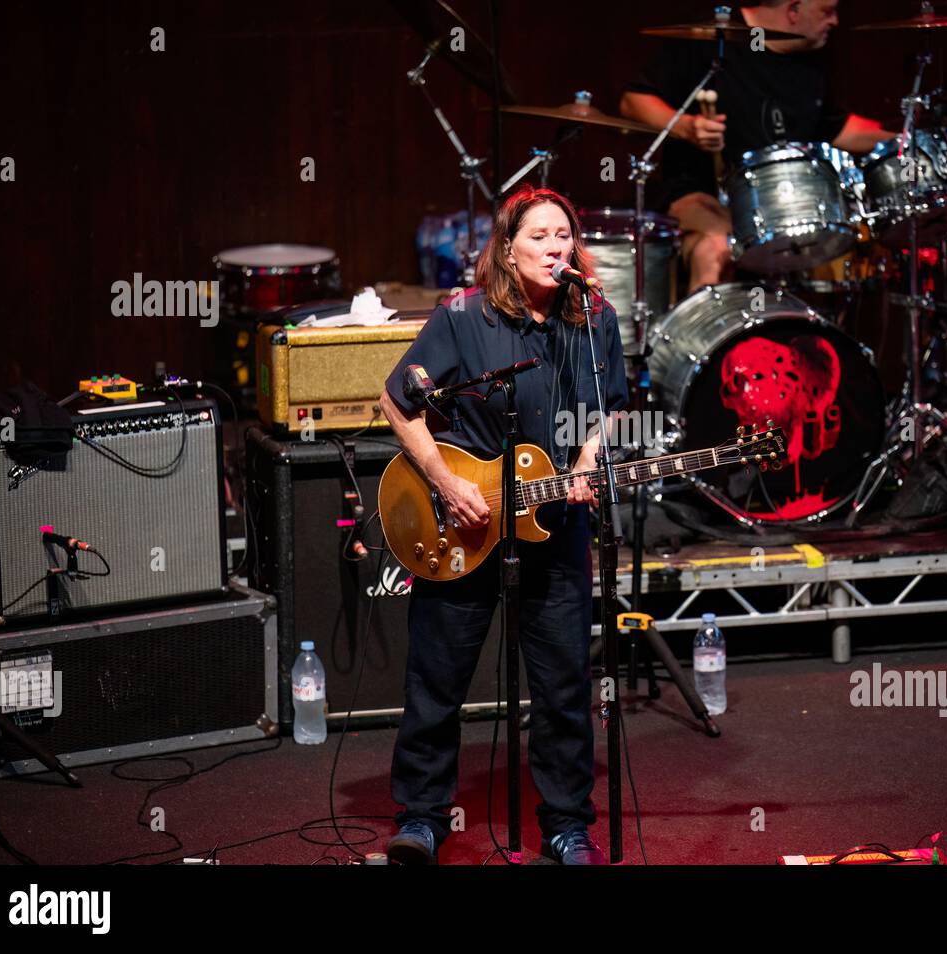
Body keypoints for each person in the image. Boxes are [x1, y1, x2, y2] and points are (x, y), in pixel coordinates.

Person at [377, 185, 628, 865]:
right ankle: (423, 817)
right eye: (540, 236)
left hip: (555, 526)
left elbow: (609, 412)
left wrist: (584, 463)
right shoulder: (463, 318)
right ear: (507, 248)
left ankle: (567, 823)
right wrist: (446, 482)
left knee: (564, 682)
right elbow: (398, 401)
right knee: (438, 677)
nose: (555, 247)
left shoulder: (593, 319)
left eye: (564, 236)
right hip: (466, 521)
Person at [620, 0, 894, 293]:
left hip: (779, 202)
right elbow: (633, 102)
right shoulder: (708, 40)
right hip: (700, 192)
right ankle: (710, 338)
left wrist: (903, 135)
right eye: (827, 11)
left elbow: (836, 128)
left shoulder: (809, 62)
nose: (835, 21)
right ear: (793, 10)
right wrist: (687, 127)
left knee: (838, 249)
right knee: (716, 249)